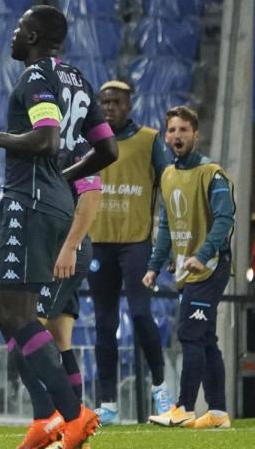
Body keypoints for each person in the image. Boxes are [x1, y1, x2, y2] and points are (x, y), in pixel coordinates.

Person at [0, 5, 117, 449]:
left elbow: (47, 139)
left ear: (33, 35)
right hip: (50, 202)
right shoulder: (78, 78)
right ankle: (48, 418)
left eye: (19, 28)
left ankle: (72, 415)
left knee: (17, 313)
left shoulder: (37, 75)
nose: (13, 35)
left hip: (29, 202)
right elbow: (107, 149)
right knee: (5, 311)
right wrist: (64, 177)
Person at [145, 106, 235, 429]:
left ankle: (183, 407)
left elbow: (226, 218)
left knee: (190, 333)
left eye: (184, 130)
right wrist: (154, 265)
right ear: (166, 135)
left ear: (196, 135)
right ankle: (219, 413)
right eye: (172, 130)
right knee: (207, 338)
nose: (177, 136)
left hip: (211, 266)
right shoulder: (168, 175)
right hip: (188, 269)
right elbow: (167, 226)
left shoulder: (212, 173)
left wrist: (204, 252)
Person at [88, 80, 171, 424]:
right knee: (105, 324)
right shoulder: (90, 140)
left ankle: (161, 386)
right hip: (99, 241)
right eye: (105, 102)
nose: (109, 107)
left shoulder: (150, 140)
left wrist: (170, 241)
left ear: (129, 105)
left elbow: (168, 185)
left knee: (139, 315)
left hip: (136, 240)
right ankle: (107, 403)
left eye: (116, 102)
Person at [13, 140, 102, 435]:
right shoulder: (42, 146)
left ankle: (54, 416)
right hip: (51, 248)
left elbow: (91, 195)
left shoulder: (77, 146)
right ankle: (76, 422)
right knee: (60, 336)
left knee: (24, 334)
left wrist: (70, 246)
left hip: (64, 250)